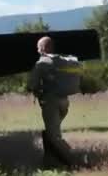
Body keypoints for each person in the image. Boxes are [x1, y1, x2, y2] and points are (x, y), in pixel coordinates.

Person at [26, 35, 79, 168]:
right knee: (52, 133)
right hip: (64, 102)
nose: (37, 51)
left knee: (54, 136)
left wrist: (37, 89)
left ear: (43, 48)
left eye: (38, 48)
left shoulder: (42, 63)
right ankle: (50, 162)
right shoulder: (62, 60)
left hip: (51, 102)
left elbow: (32, 84)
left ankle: (75, 161)